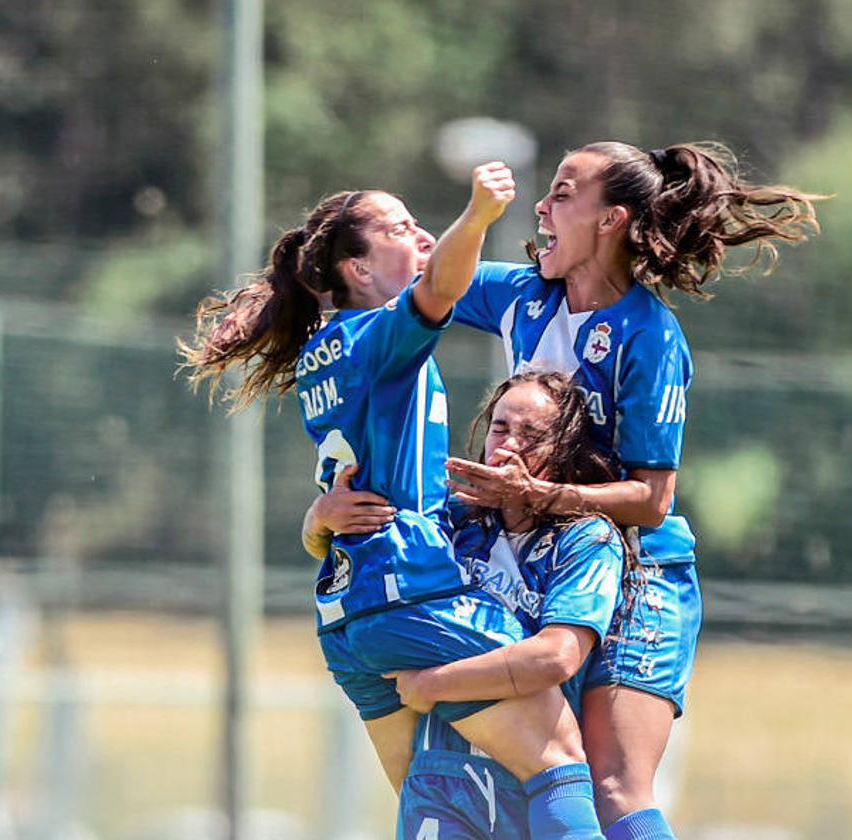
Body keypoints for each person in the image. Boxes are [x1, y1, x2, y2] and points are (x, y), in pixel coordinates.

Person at [179, 166, 606, 840]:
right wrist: (481, 213)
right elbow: (441, 288)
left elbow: (347, 487)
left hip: (346, 615)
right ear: (358, 266)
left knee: (429, 794)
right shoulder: (378, 333)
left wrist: (316, 524)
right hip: (410, 592)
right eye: (399, 228)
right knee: (560, 764)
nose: (422, 235)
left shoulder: (322, 352)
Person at [440, 141, 821, 839]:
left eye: (561, 193)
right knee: (546, 775)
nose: (542, 206)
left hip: (642, 572)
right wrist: (470, 218)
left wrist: (544, 497)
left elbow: (653, 498)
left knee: (615, 786)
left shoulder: (650, 336)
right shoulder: (523, 294)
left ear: (610, 219)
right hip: (555, 566)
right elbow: (431, 283)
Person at [306, 371, 638, 840]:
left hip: (530, 780)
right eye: (501, 428)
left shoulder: (587, 538)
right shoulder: (448, 521)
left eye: (532, 435)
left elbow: (556, 655)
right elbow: (364, 566)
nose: (508, 446)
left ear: (566, 449)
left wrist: (434, 684)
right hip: (443, 776)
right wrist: (320, 519)